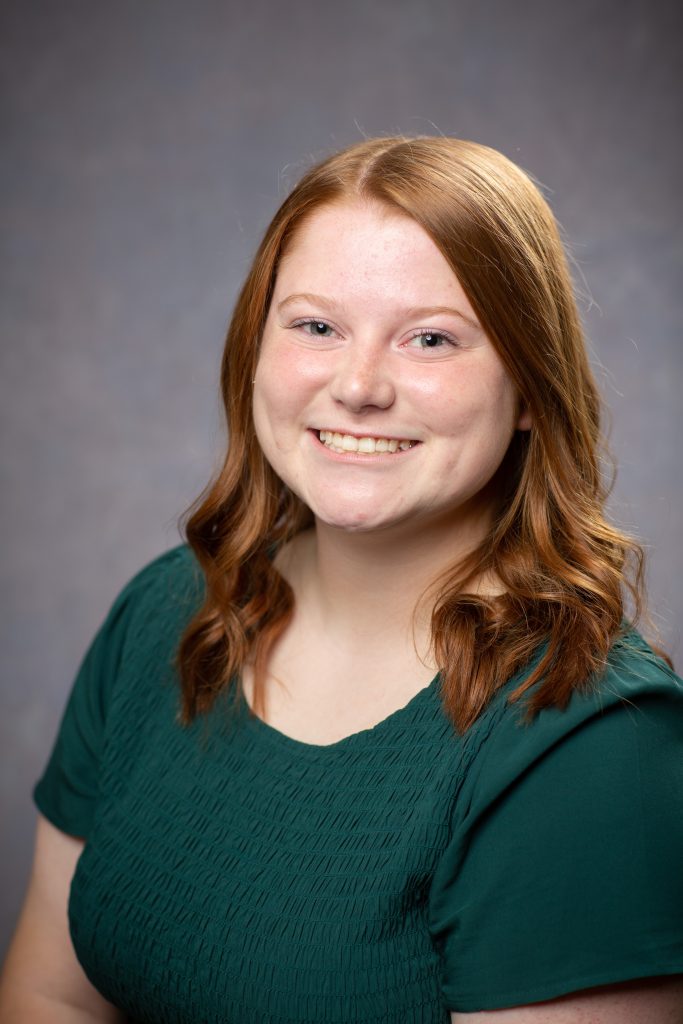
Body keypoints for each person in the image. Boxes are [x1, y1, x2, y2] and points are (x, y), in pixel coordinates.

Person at [1, 136, 681, 1024]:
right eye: (316, 326)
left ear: (527, 391)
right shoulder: (168, 613)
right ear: (255, 350)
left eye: (430, 339)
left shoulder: (592, 743)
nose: (358, 386)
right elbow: (51, 996)